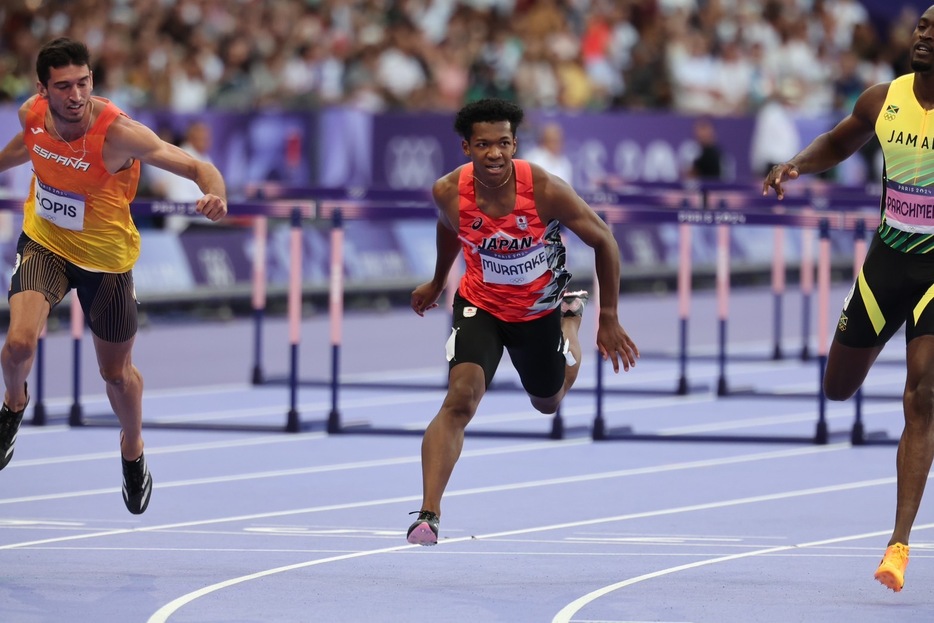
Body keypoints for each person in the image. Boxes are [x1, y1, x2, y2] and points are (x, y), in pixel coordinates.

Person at [0, 38, 227, 514]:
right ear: (43, 89)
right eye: (63, 86)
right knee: (18, 343)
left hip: (107, 262)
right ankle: (14, 404)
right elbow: (26, 146)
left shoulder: (119, 134)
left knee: (116, 374)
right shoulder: (32, 114)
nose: (76, 95)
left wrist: (214, 195)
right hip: (45, 242)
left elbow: (197, 166)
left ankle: (132, 448)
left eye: (83, 83)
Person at [406, 98, 639, 545]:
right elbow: (448, 226)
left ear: (514, 144)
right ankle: (429, 513)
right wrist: (438, 281)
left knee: (547, 403)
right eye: (483, 144)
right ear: (466, 147)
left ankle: (570, 322)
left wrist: (607, 317)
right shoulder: (449, 191)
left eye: (503, 143)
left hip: (538, 311)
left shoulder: (546, 189)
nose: (495, 153)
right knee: (460, 399)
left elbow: (604, 240)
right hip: (482, 306)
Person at [762, 6, 934, 593]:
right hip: (887, 264)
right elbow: (839, 142)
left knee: (923, 391)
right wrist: (795, 165)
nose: (926, 34)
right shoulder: (883, 98)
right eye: (922, 25)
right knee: (838, 387)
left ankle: (899, 544)